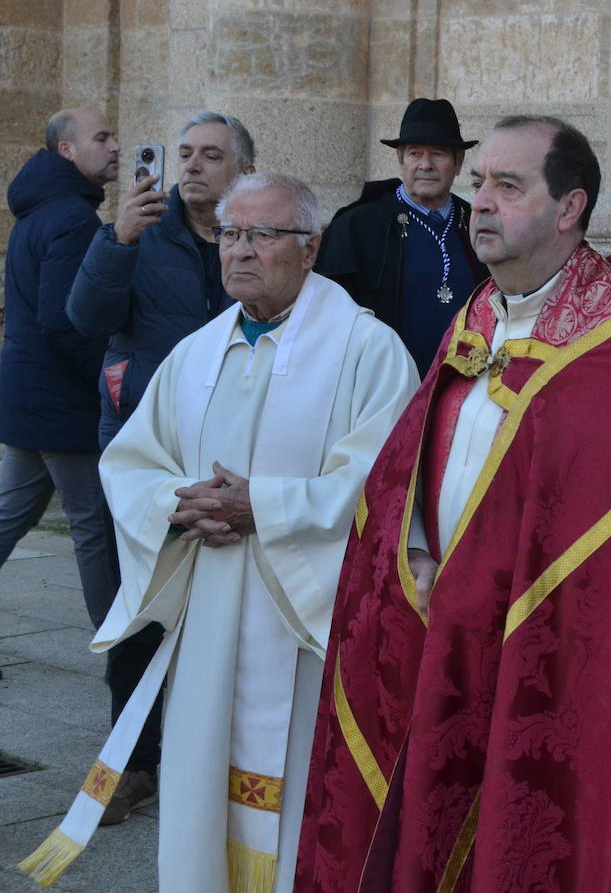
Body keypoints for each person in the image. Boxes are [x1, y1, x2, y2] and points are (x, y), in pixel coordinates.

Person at [295, 115, 611, 892]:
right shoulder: (483, 311)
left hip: (548, 652)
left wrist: (487, 590)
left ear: (569, 207)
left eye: (507, 186)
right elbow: (414, 462)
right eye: (479, 182)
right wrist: (413, 546)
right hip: (437, 625)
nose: (478, 201)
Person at [19, 172, 418, 892]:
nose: (240, 251)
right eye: (230, 235)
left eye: (263, 235)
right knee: (204, 789)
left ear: (310, 247)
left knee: (298, 792)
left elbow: (385, 482)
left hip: (298, 617)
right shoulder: (195, 353)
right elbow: (132, 460)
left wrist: (261, 505)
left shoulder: (368, 351)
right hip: (208, 610)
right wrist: (176, 503)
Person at [65, 109, 257, 824]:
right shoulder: (141, 232)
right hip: (153, 454)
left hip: (236, 453)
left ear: (242, 169)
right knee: (139, 614)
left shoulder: (254, 237)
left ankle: (220, 757)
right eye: (185, 153)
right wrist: (117, 240)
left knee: (232, 614)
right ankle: (133, 762)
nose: (194, 166)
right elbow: (84, 317)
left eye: (212, 154)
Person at [0, 109, 120, 684]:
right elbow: (64, 322)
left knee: (9, 516)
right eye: (102, 138)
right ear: (67, 150)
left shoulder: (43, 209)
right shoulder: (72, 217)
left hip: (30, 395)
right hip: (60, 403)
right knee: (92, 527)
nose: (116, 146)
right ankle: (122, 650)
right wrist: (107, 380)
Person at [315, 97, 487, 372]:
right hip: (383, 391)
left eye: (439, 153)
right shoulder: (356, 226)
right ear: (400, 159)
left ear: (458, 162)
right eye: (415, 153)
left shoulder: (479, 221)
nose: (425, 164)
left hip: (462, 389)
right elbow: (326, 321)